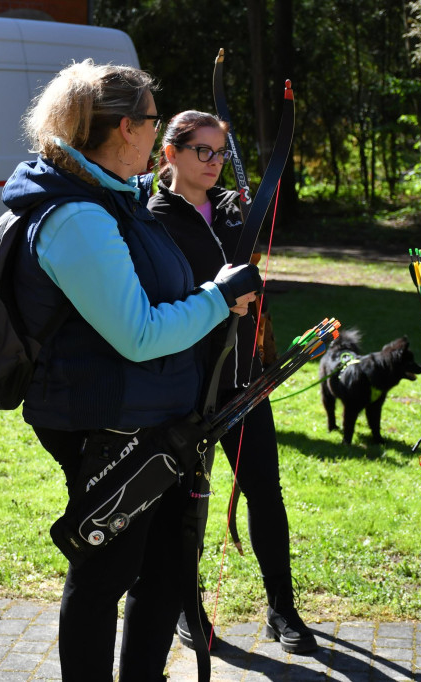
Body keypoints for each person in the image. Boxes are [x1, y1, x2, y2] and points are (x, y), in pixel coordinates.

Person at [3, 60, 261, 681]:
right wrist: (220, 298)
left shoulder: (116, 197)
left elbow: (151, 295)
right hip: (109, 422)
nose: (157, 133)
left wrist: (210, 288)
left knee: (168, 569)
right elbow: (139, 333)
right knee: (105, 574)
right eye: (152, 121)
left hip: (156, 416)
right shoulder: (78, 216)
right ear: (127, 127)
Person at [147, 110, 317, 654]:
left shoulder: (228, 211)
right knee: (183, 503)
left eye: (221, 153)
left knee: (265, 493)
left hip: (244, 382)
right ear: (170, 153)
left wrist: (247, 219)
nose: (215, 162)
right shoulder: (152, 219)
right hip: (185, 385)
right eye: (203, 151)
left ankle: (281, 609)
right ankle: (186, 606)